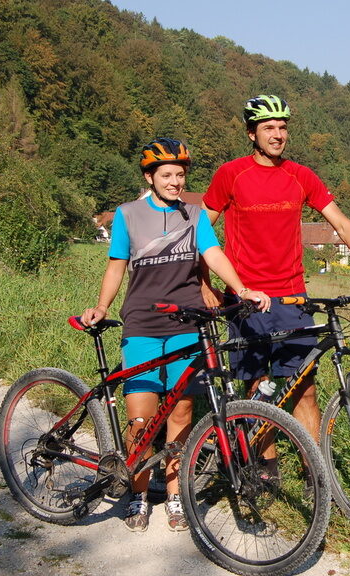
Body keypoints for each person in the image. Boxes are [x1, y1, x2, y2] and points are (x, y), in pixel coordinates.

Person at [201, 95, 350, 474]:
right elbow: (200, 231)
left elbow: (340, 224)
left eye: (282, 127)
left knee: (304, 387)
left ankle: (316, 472)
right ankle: (266, 468)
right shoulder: (231, 174)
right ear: (251, 134)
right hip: (246, 297)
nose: (278, 135)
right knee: (258, 387)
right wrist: (204, 282)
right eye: (268, 128)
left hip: (293, 296)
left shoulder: (301, 175)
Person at [81, 138, 270, 532]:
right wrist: (101, 306)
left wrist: (243, 287)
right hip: (143, 323)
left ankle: (174, 497)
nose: (175, 181)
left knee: (181, 411)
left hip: (188, 321)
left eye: (181, 175)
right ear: (150, 177)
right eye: (167, 175)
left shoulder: (195, 214)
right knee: (142, 417)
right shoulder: (128, 214)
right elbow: (117, 266)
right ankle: (137, 493)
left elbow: (213, 255)